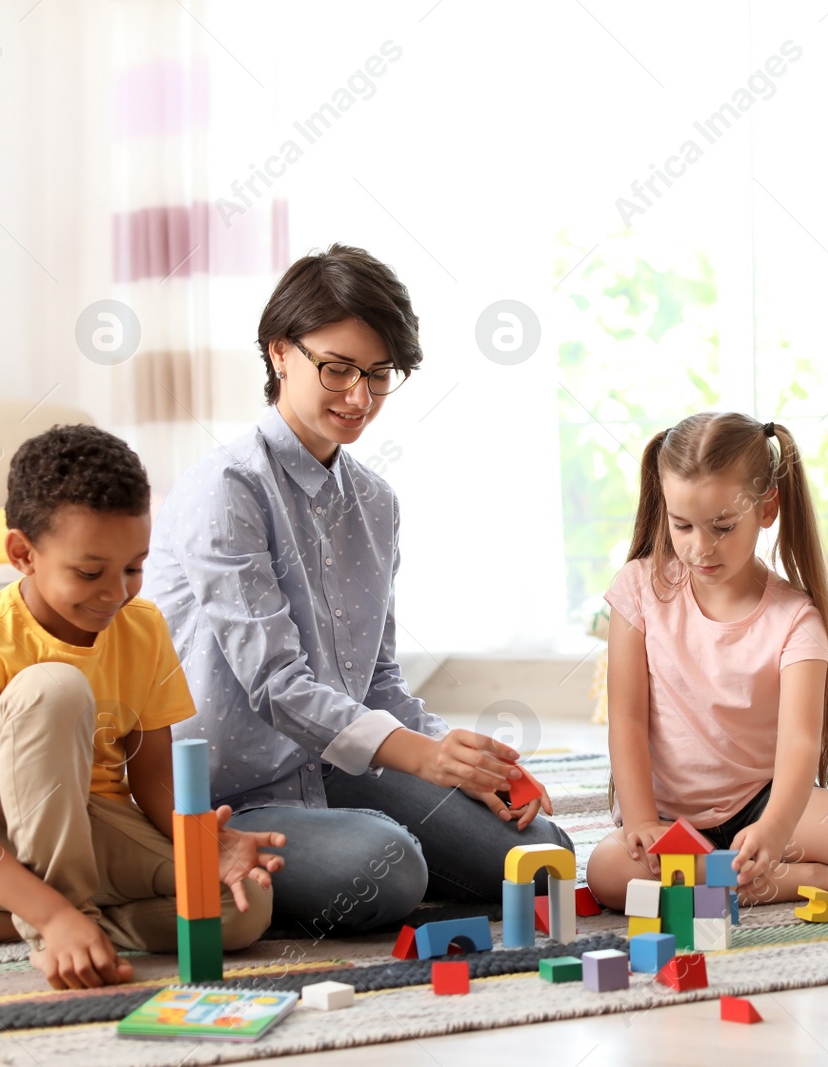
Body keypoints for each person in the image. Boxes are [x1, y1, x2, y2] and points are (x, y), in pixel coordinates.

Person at [145, 244, 571, 934]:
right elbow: (277, 686)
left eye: (379, 375)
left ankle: (369, 835)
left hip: (339, 767)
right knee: (387, 866)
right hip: (231, 794)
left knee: (544, 854)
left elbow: (377, 682)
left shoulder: (374, 502)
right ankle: (283, 857)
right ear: (280, 352)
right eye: (337, 369)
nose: (359, 398)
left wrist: (462, 760)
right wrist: (422, 759)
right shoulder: (225, 491)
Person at [0, 426, 281, 989]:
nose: (115, 593)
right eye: (89, 573)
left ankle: (31, 916)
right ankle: (55, 918)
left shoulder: (145, 628)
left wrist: (207, 842)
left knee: (243, 903)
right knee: (54, 688)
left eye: (133, 568)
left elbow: (154, 776)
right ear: (23, 554)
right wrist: (57, 914)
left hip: (96, 829)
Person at [584, 412, 828, 911]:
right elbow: (626, 716)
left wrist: (772, 829)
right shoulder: (639, 589)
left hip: (763, 802)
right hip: (667, 817)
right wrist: (641, 820)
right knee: (609, 875)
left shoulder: (795, 619)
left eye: (722, 527)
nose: (699, 548)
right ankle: (821, 878)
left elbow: (799, 742)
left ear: (766, 508)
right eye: (682, 524)